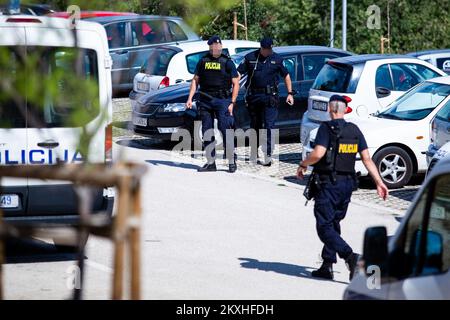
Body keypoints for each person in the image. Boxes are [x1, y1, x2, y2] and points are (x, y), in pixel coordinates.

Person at [297, 95, 389, 281]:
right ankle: (327, 265)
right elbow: (367, 159)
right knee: (334, 223)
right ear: (344, 110)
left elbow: (318, 153)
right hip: (347, 185)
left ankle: (351, 256)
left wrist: (303, 164)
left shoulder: (326, 128)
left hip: (329, 184)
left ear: (331, 110)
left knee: (324, 227)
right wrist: (379, 182)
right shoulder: (354, 130)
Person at [186, 35, 240, 173]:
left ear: (221, 46)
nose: (216, 48)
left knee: (224, 129)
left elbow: (235, 83)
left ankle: (231, 160)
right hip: (205, 100)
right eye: (214, 46)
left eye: (218, 46)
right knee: (207, 131)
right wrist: (190, 98)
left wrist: (232, 102)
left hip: (222, 100)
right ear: (210, 47)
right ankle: (211, 163)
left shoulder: (227, 62)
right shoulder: (203, 61)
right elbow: (195, 80)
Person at [237, 37, 294, 166]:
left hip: (270, 97)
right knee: (255, 126)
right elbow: (239, 73)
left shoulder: (277, 59)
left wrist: (290, 93)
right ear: (261, 47)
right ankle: (253, 152)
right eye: (265, 49)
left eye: (269, 49)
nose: (268, 51)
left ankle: (268, 154)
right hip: (254, 96)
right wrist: (233, 85)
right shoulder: (250, 57)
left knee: (269, 126)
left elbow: (286, 75)